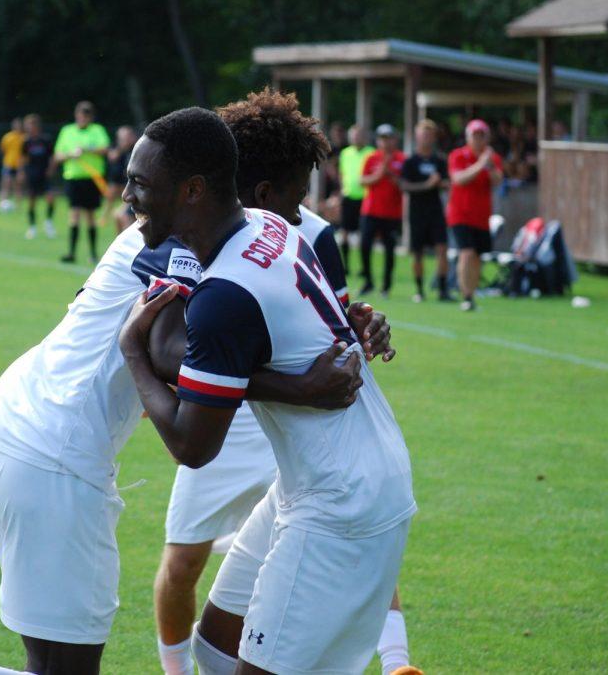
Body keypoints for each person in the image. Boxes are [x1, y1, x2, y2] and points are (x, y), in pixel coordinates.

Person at [0, 199, 391, 675]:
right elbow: (171, 356)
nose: (297, 213)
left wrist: (342, 322)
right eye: (288, 194)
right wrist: (300, 387)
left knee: (53, 665)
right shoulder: (179, 240)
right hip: (55, 457)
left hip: (22, 431)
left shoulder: (188, 235)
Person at [119, 106, 416, 675]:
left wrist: (131, 352)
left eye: (141, 185)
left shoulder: (225, 292)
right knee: (213, 649)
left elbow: (193, 445)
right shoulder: (270, 226)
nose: (129, 198)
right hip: (322, 479)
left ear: (193, 191)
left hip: (341, 499)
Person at [447, 118, 503, 312]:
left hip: (481, 216)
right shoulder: (458, 155)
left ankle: (472, 292)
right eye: (475, 135)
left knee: (478, 256)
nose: (479, 140)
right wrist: (480, 164)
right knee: (467, 253)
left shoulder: (492, 158)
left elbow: (497, 181)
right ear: (468, 137)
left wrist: (490, 166)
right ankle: (466, 295)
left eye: (482, 136)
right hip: (460, 213)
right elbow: (459, 179)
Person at [400, 119, 452, 303]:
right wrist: (427, 185)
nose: (426, 138)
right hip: (417, 212)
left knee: (442, 249)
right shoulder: (410, 161)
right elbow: (404, 185)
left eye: (430, 135)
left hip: (436, 211)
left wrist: (442, 183)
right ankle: (420, 290)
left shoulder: (439, 160)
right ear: (417, 137)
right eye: (423, 134)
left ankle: (443, 289)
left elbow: (447, 182)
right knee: (418, 252)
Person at [54, 101, 111, 262]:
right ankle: (72, 252)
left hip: (91, 178)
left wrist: (87, 149)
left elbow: (105, 149)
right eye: (81, 114)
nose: (83, 118)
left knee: (91, 216)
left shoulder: (97, 130)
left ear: (91, 117)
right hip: (73, 178)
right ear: (76, 115)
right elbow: (58, 156)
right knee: (74, 214)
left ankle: (93, 253)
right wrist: (71, 154)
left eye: (87, 115)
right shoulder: (67, 131)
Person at [359, 124, 406, 298]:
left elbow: (404, 184)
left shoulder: (401, 159)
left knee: (389, 250)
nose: (386, 142)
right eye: (382, 138)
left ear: (395, 140)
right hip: (370, 210)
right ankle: (368, 281)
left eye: (389, 138)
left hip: (392, 213)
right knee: (365, 246)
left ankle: (386, 286)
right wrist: (379, 175)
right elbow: (363, 180)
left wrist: (391, 175)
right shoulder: (371, 158)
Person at [336, 124, 374, 274]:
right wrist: (342, 189)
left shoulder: (371, 153)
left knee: (363, 234)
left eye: (358, 135)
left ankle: (364, 268)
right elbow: (342, 173)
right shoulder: (345, 153)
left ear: (364, 137)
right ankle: (346, 266)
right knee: (344, 232)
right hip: (348, 197)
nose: (355, 138)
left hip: (365, 198)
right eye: (353, 135)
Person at [19, 114, 56, 240]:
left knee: (51, 198)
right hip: (32, 175)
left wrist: (51, 169)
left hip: (44, 175)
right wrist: (22, 172)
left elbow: (52, 156)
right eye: (28, 125)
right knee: (31, 202)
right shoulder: (26, 141)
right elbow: (23, 158)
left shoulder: (45, 140)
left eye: (32, 125)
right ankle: (32, 227)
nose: (30, 128)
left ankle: (49, 222)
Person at [105, 124, 138, 233]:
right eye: (120, 139)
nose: (122, 141)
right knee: (119, 215)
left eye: (124, 138)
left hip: (139, 193)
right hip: (132, 191)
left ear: (132, 137)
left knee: (122, 216)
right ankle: (122, 244)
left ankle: (129, 246)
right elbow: (112, 157)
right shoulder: (124, 152)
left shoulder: (138, 150)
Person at [0, 117, 25, 212]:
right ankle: (1, 204)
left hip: (19, 166)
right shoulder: (7, 137)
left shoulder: (24, 138)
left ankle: (18, 207)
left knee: (17, 186)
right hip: (8, 164)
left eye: (19, 125)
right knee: (6, 185)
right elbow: (2, 150)